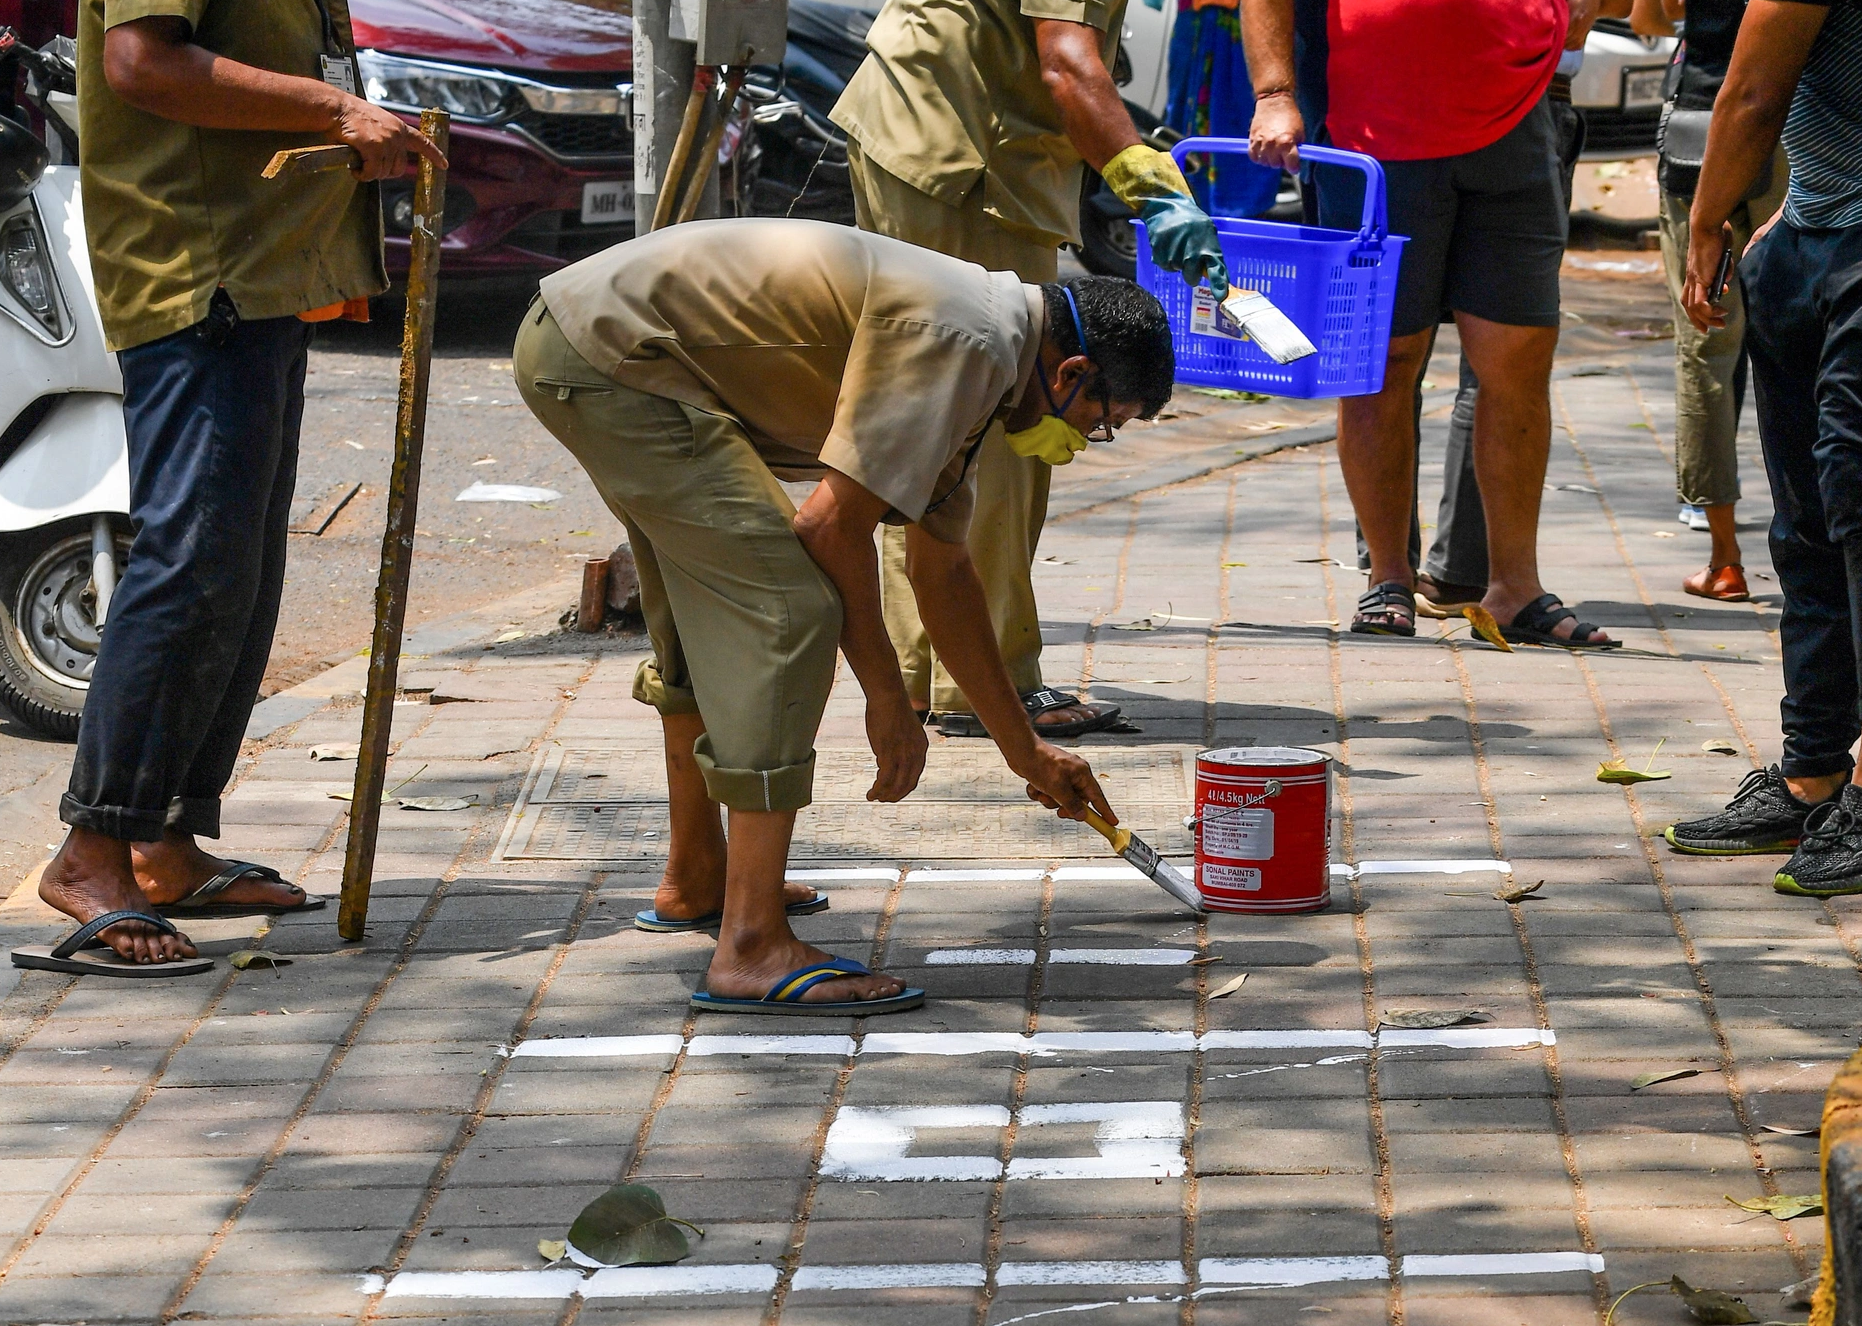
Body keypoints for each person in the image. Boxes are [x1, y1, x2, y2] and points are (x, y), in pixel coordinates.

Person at [516, 219, 1174, 1012]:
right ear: (1071, 370)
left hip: (600, 342)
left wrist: (1024, 749)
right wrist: (888, 699)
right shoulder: (965, 343)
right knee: (787, 612)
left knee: (711, 604)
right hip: (615, 356)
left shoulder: (990, 361)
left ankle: (698, 876)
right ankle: (751, 947)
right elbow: (829, 528)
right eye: (1100, 421)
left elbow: (944, 573)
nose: (1087, 440)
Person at [11, 0, 442, 977]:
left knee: (234, 570)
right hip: (199, 272)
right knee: (191, 561)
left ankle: (161, 842)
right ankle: (92, 851)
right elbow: (141, 64)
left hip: (263, 274)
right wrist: (335, 111)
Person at [830, 0, 1227, 739]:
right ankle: (990, 683)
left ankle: (925, 671)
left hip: (920, 133)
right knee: (1011, 409)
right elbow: (1068, 63)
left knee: (924, 417)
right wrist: (1158, 193)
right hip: (969, 163)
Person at [1243, 0, 1616, 648]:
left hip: (1517, 118)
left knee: (1518, 363)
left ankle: (1515, 588)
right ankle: (1389, 578)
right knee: (1382, 361)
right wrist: (1274, 94)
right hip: (1372, 132)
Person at [1672, 0, 1862, 896]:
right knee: (1809, 524)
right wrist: (1794, 207)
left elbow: (1752, 92)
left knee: (1854, 510)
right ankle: (1811, 774)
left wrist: (1705, 219)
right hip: (1812, 235)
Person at [1635, 0, 1787, 604]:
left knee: (1706, 350)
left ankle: (1725, 561)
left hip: (1704, 138)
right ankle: (1817, 541)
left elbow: (1650, 17)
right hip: (1789, 135)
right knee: (1804, 340)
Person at [1164, 0, 1283, 220]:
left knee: (1241, 125)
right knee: (1186, 123)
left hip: (1244, 25)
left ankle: (1237, 218)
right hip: (1199, 24)